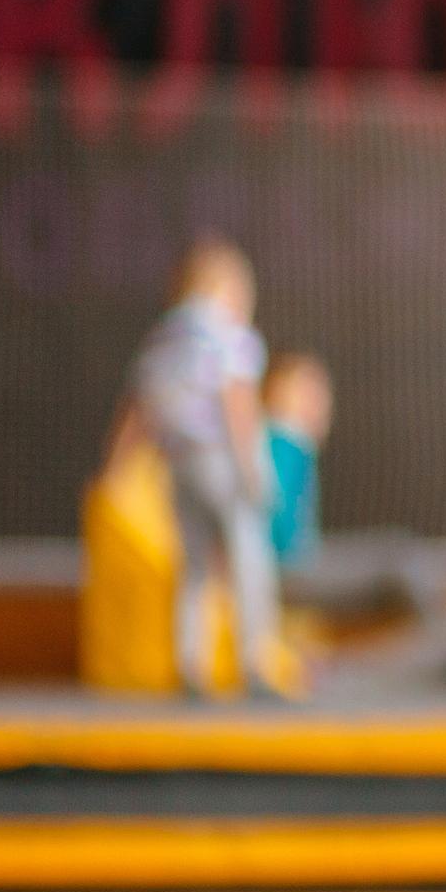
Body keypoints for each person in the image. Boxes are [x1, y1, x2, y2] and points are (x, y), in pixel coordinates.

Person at [128, 236, 285, 699]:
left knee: (194, 567)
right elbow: (238, 402)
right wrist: (252, 467)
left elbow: (139, 405)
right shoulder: (229, 335)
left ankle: (190, 665)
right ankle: (254, 663)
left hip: (179, 464)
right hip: (221, 460)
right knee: (248, 558)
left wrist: (118, 463)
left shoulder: (165, 337)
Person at [261, 351, 333, 571]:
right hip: (287, 566)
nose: (316, 403)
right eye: (305, 393)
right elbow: (276, 515)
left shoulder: (296, 445)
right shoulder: (284, 441)